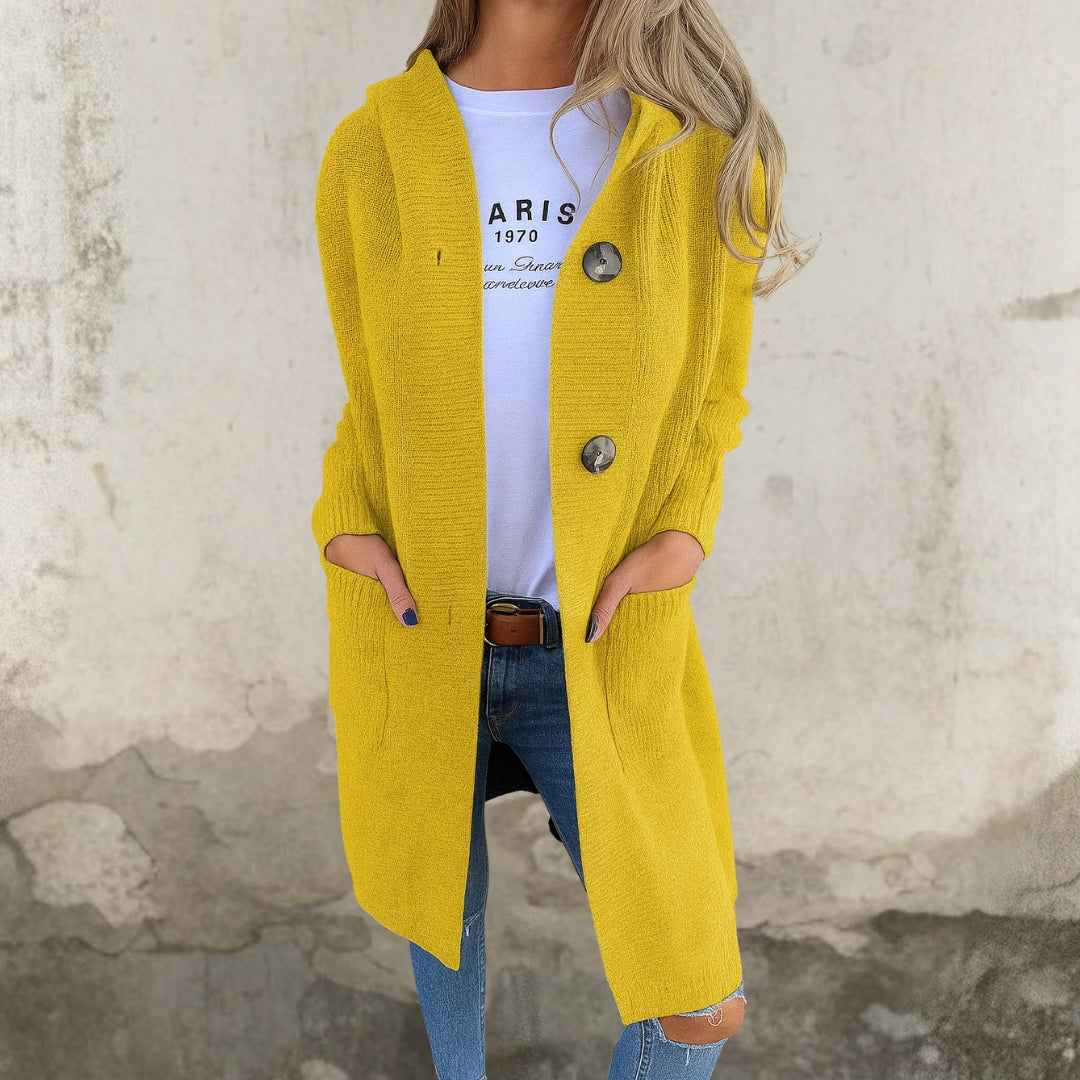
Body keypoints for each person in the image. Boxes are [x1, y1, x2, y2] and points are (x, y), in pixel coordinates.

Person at [313, 1, 816, 1077]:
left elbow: (713, 397)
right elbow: (366, 394)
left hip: (597, 639)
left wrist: (684, 531)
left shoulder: (697, 152)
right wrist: (344, 523)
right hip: (422, 631)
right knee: (442, 935)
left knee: (696, 998)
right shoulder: (373, 150)